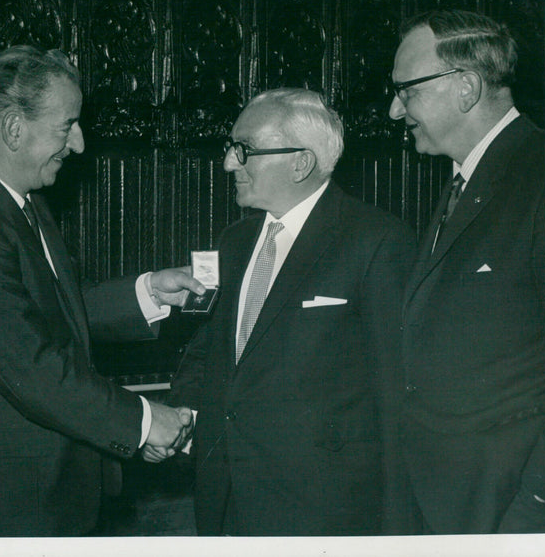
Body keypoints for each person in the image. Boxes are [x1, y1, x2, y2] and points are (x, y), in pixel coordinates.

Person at [0, 45, 200, 536]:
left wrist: (148, 291)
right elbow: (29, 361)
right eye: (67, 125)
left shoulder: (19, 201)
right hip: (18, 504)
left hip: (59, 489)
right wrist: (140, 420)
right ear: (13, 128)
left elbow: (51, 311)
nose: (80, 144)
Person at [148, 88, 416, 535]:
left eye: (244, 150)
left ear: (301, 163)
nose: (229, 163)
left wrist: (398, 531)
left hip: (324, 514)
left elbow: (397, 401)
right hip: (226, 501)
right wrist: (182, 417)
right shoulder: (236, 242)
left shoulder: (377, 243)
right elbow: (212, 353)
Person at [389, 9, 545, 533]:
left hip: (507, 506)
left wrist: (534, 515)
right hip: (449, 497)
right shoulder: (464, 179)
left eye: (407, 90)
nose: (395, 110)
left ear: (465, 88)